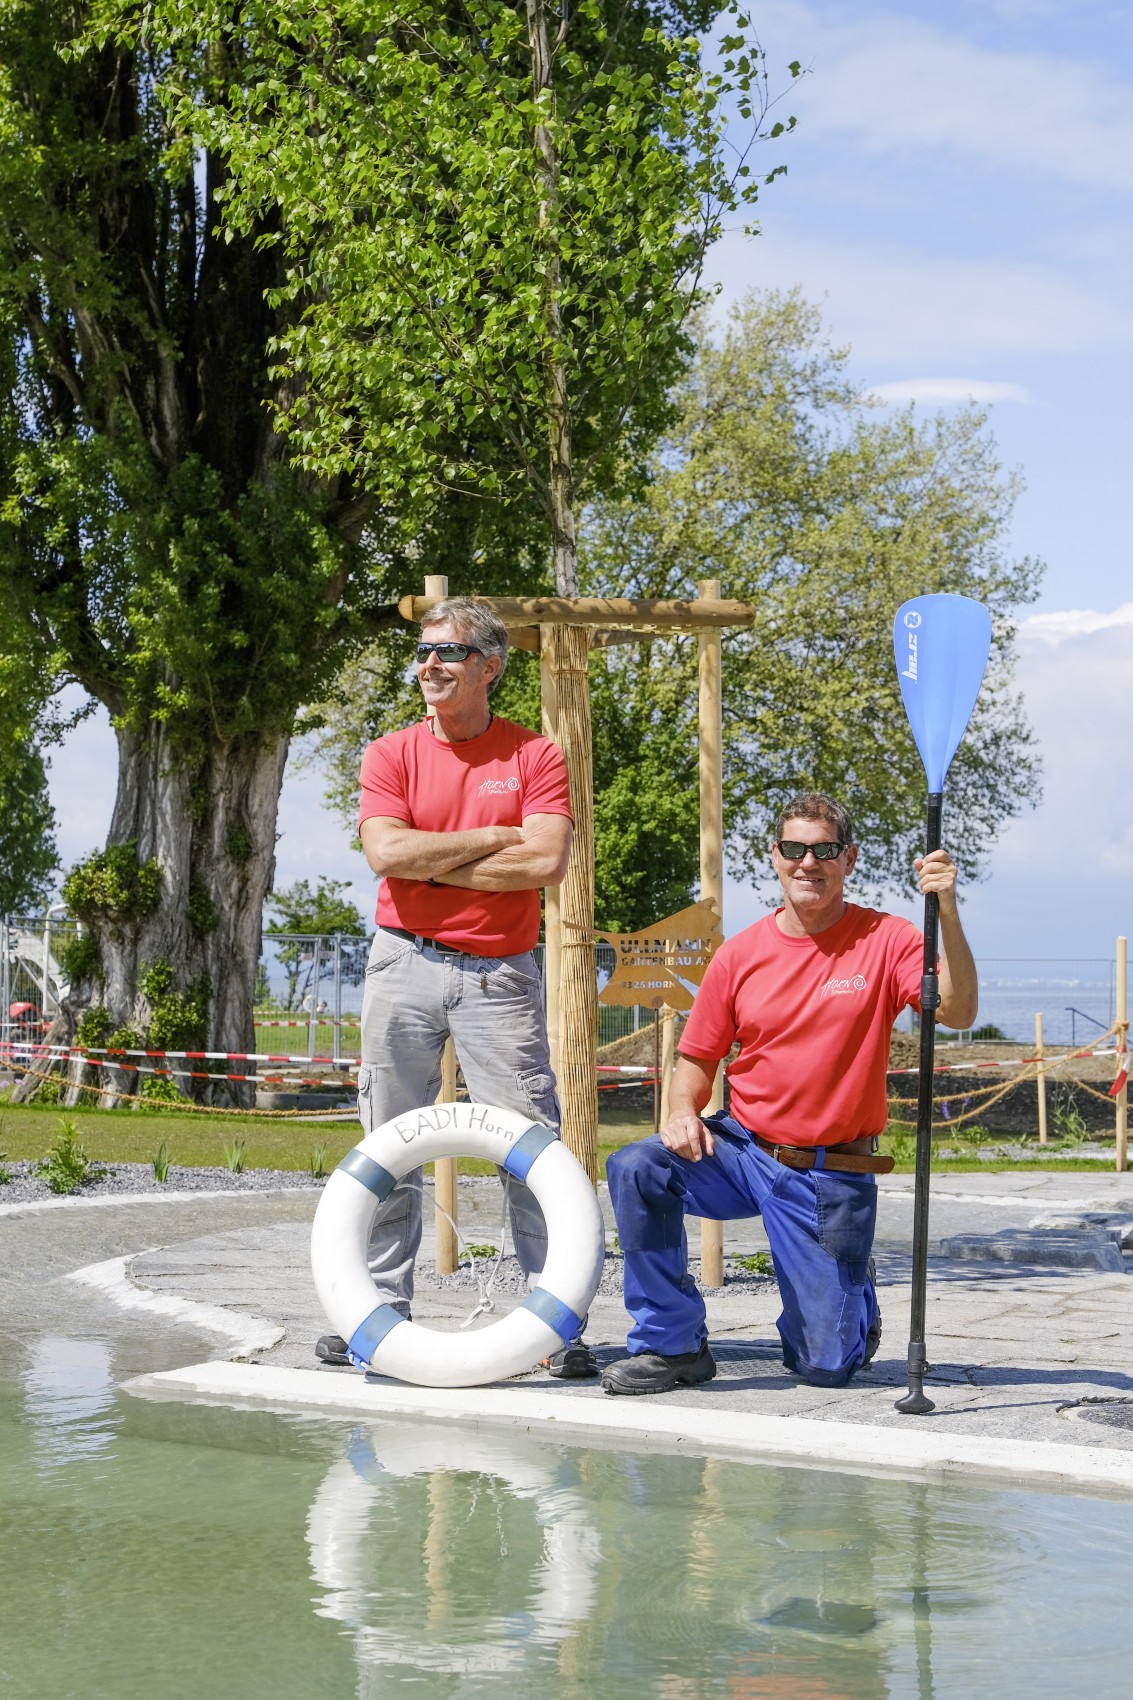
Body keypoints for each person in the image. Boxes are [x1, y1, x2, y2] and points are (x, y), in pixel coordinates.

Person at [600, 791, 978, 1395]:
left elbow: (957, 1010)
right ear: (774, 857)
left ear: (848, 858)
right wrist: (678, 1111)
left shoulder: (889, 938)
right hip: (741, 1151)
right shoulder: (739, 955)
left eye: (824, 850)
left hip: (828, 1172)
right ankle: (672, 1346)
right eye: (794, 849)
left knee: (824, 1368)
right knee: (637, 1167)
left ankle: (850, 1298)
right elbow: (697, 1058)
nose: (808, 862)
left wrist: (948, 909)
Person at [316, 596, 597, 1376]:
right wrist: (488, 841)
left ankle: (555, 1320)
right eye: (422, 652)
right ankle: (373, 1311)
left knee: (531, 1144)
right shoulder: (389, 754)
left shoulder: (535, 755)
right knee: (386, 1140)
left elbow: (543, 865)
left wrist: (428, 858)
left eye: (447, 653)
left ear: (490, 667)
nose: (429, 665)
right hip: (400, 960)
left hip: (501, 975)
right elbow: (384, 855)